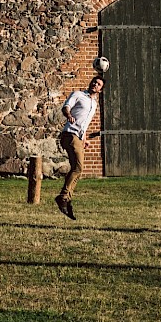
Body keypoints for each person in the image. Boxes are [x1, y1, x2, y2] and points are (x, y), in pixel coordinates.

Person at [56, 76, 105, 221]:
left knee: (78, 170)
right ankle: (63, 197)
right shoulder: (78, 94)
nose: (95, 84)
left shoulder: (94, 104)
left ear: (100, 90)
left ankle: (67, 199)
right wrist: (69, 115)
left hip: (78, 137)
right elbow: (66, 107)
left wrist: (84, 139)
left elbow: (85, 124)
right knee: (78, 167)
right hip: (69, 135)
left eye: (98, 84)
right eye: (94, 82)